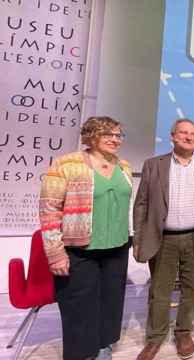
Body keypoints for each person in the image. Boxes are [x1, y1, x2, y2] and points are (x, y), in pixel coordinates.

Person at [133, 118, 194, 360]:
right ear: (172, 136)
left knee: (193, 289)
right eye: (183, 133)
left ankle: (183, 332)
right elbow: (141, 204)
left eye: (193, 134)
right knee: (160, 291)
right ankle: (155, 338)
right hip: (162, 239)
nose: (188, 137)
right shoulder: (154, 165)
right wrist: (138, 239)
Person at [40, 116, 132, 360]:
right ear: (92, 135)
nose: (115, 139)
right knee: (79, 304)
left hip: (117, 247)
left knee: (111, 300)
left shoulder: (124, 166)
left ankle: (104, 345)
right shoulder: (67, 164)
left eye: (118, 135)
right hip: (80, 249)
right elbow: (49, 210)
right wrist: (55, 253)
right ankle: (82, 353)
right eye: (108, 134)